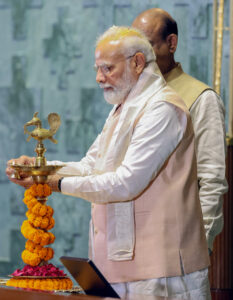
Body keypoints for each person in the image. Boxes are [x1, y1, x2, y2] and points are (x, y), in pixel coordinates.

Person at [6, 26, 210, 299]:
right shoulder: (123, 108)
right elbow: (91, 165)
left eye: (107, 68)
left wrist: (55, 182)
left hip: (161, 272)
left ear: (138, 63)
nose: (99, 78)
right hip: (119, 267)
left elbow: (127, 183)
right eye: (97, 69)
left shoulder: (162, 108)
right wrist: (40, 169)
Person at [132, 8, 228, 254]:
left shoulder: (201, 98)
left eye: (147, 46)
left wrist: (200, 243)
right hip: (133, 240)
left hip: (179, 242)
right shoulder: (131, 99)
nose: (138, 58)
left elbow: (212, 179)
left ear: (171, 43)